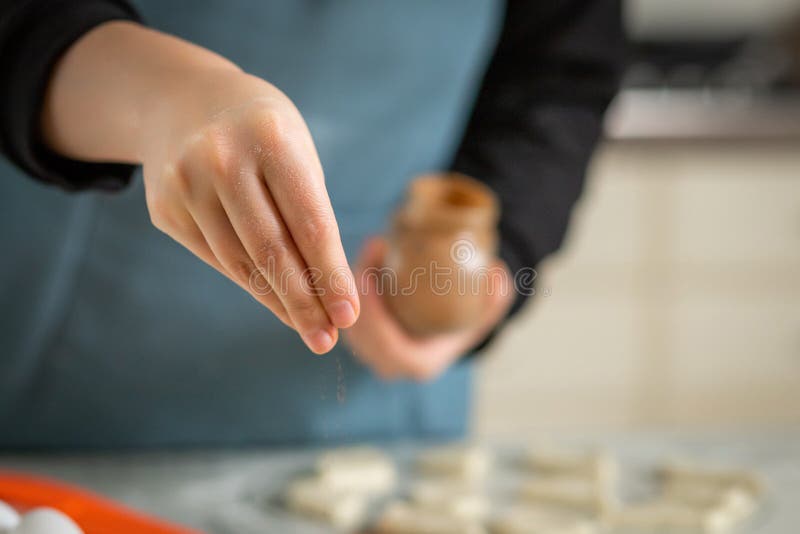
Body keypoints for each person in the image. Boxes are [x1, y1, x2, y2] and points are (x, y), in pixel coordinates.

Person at [0, 1, 625, 448]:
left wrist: (495, 250)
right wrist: (165, 96)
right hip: (73, 385)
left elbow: (560, 72)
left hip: (382, 400)